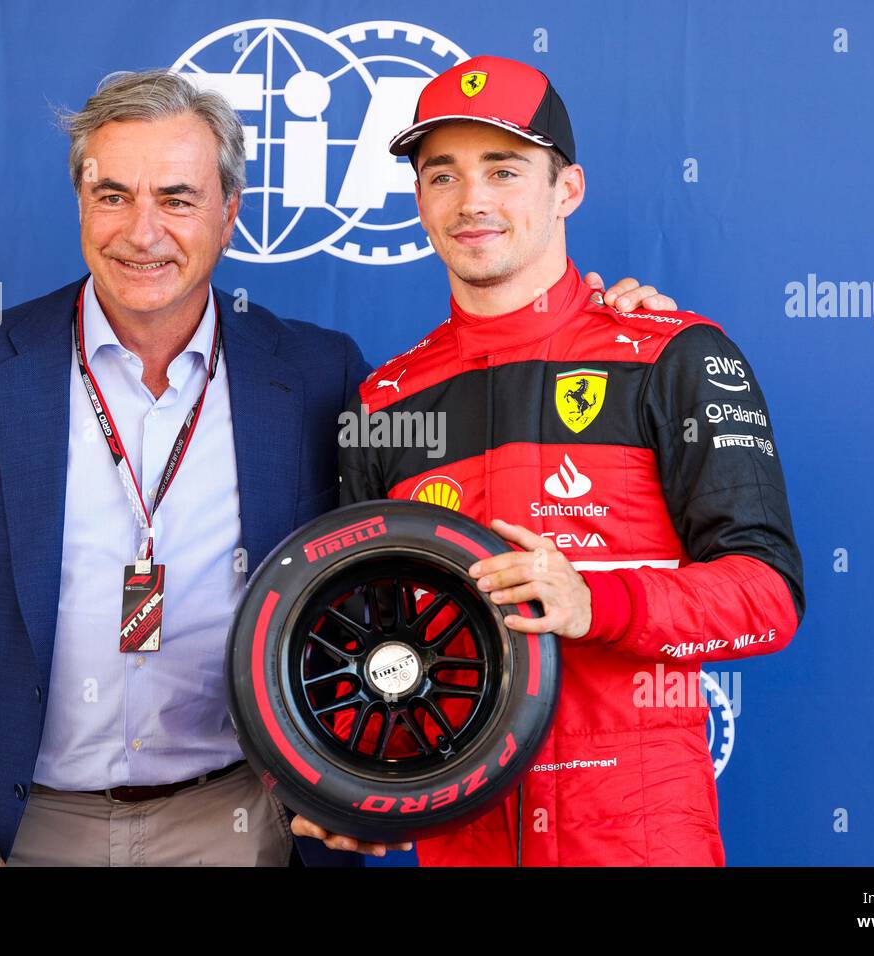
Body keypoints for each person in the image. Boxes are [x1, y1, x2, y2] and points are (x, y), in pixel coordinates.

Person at [0, 68, 674, 866]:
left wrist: (594, 328)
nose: (142, 232)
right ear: (82, 203)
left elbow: (391, 584)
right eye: (112, 196)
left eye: (177, 199)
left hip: (247, 824)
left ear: (230, 214)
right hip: (22, 824)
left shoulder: (319, 373)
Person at [292, 55, 806, 865]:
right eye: (443, 175)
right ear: (420, 200)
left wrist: (594, 602)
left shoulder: (676, 355)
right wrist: (355, 789)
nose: (473, 202)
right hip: (462, 833)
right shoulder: (383, 403)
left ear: (566, 189)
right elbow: (368, 638)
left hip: (638, 833)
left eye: (505, 169)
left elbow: (767, 597)